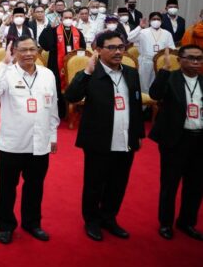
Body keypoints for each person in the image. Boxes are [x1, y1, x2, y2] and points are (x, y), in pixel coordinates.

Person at [64, 31, 144, 241]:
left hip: (126, 138)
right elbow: (71, 96)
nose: (118, 52)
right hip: (99, 139)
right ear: (98, 50)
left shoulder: (131, 72)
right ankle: (91, 220)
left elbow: (135, 105)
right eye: (112, 47)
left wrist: (137, 135)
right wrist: (87, 73)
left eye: (121, 47)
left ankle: (109, 218)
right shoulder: (92, 73)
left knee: (118, 183)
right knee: (94, 183)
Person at [0, 37, 59, 244]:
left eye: (32, 49)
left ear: (38, 51)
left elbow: (53, 106)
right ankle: (5, 225)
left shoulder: (47, 75)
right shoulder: (7, 73)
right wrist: (4, 64)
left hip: (40, 142)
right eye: (23, 50)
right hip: (12, 143)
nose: (28, 54)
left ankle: (32, 223)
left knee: (35, 186)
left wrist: (53, 135)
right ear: (15, 51)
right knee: (7, 187)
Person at [148, 45, 203, 240]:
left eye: (199, 59)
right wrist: (164, 70)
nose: (196, 62)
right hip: (175, 140)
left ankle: (187, 221)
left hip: (199, 140)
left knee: (196, 185)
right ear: (180, 60)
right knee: (170, 184)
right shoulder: (171, 78)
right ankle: (165, 223)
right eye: (191, 58)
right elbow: (155, 94)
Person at [39, 9, 86, 118]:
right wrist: (49, 28)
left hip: (74, 67)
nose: (68, 20)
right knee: (56, 87)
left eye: (70, 18)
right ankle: (59, 112)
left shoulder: (78, 32)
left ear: (73, 18)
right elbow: (45, 45)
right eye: (66, 18)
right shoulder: (54, 30)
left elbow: (82, 48)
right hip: (56, 64)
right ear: (61, 19)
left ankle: (74, 110)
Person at [127, 12, 175, 93]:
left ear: (161, 21)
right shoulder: (143, 32)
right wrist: (139, 27)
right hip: (145, 61)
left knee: (158, 83)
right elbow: (129, 38)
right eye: (154, 19)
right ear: (149, 21)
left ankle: (155, 103)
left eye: (158, 19)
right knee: (143, 84)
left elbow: (171, 48)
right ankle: (145, 104)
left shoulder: (167, 33)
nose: (156, 21)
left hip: (160, 62)